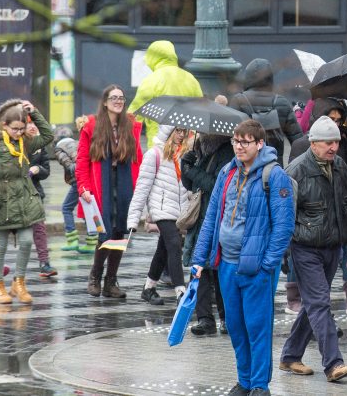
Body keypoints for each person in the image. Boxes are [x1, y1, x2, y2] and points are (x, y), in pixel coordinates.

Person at [191, 119, 295, 396]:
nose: (238, 146)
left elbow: (284, 226)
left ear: (259, 144)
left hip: (256, 267)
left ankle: (260, 385)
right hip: (227, 264)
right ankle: (245, 380)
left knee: (257, 328)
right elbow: (212, 218)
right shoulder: (227, 172)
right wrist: (199, 259)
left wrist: (267, 265)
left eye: (245, 141)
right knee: (236, 327)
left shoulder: (274, 176)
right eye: (236, 141)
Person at [278, 116, 347, 382]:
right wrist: (283, 253)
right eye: (327, 142)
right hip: (304, 248)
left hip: (332, 246)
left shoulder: (340, 167)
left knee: (314, 304)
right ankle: (333, 363)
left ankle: (290, 356)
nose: (333, 147)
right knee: (320, 303)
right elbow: (282, 215)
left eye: (336, 141)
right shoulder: (296, 171)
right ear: (313, 144)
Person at [0, 99, 54, 304]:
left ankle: (19, 282)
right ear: (4, 125)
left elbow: (48, 136)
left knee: (27, 240)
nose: (19, 132)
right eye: (15, 129)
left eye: (22, 128)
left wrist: (34, 112)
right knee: (0, 246)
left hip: (24, 199)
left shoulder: (25, 141)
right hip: (2, 200)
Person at [76, 85, 144, 299]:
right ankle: (95, 277)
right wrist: (83, 188)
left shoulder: (129, 126)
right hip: (100, 187)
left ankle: (110, 281)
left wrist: (142, 187)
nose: (118, 101)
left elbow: (138, 159)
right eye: (114, 98)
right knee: (104, 232)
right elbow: (82, 161)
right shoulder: (92, 127)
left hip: (124, 186)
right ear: (105, 102)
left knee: (119, 233)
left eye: (121, 98)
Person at [126, 125, 193, 304]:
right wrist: (133, 219)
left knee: (163, 249)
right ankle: (181, 292)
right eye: (177, 130)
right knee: (174, 244)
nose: (181, 135)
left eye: (184, 131)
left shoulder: (185, 154)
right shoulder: (154, 155)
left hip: (179, 211)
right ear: (168, 132)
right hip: (161, 209)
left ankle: (148, 288)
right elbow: (142, 188)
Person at [182, 132, 234, 336]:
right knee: (199, 268)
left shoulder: (227, 152)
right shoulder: (200, 149)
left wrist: (193, 171)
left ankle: (226, 319)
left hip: (218, 218)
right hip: (199, 220)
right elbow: (192, 185)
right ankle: (204, 318)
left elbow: (217, 186)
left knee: (219, 271)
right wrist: (184, 167)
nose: (202, 134)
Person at [128, 40, 202, 147]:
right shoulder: (191, 79)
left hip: (158, 143)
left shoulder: (151, 80)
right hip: (186, 143)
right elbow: (201, 111)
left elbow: (134, 115)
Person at [230, 58, 303, 163]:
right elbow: (297, 140)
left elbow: (229, 138)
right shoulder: (282, 102)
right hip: (274, 166)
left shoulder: (238, 101)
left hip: (245, 166)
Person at [55, 115, 93, 253]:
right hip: (88, 179)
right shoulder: (77, 143)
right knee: (87, 209)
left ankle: (72, 240)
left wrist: (75, 168)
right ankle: (91, 240)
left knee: (66, 208)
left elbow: (69, 165)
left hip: (78, 181)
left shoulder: (59, 148)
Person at [25, 122, 55, 278]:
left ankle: (45, 263)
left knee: (39, 228)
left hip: (35, 192)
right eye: (28, 123)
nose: (32, 126)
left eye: (34, 123)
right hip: (14, 194)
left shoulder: (40, 145)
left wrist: (38, 169)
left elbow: (46, 171)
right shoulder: (13, 141)